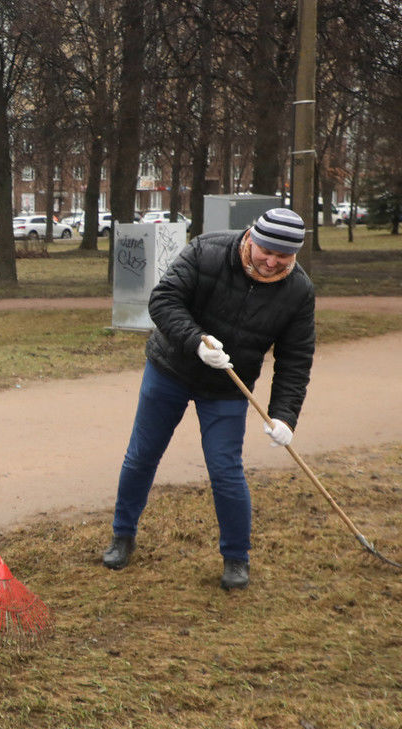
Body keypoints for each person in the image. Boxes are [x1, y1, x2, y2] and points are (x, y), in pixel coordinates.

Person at [102, 207, 316, 591]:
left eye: (282, 257)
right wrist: (196, 341)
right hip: (170, 370)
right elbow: (164, 300)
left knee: (225, 469)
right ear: (252, 237)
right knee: (142, 455)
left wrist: (284, 416)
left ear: (294, 255)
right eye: (266, 251)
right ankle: (122, 535)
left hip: (228, 388)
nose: (270, 262)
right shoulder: (208, 250)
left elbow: (296, 360)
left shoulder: (298, 291)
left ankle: (237, 558)